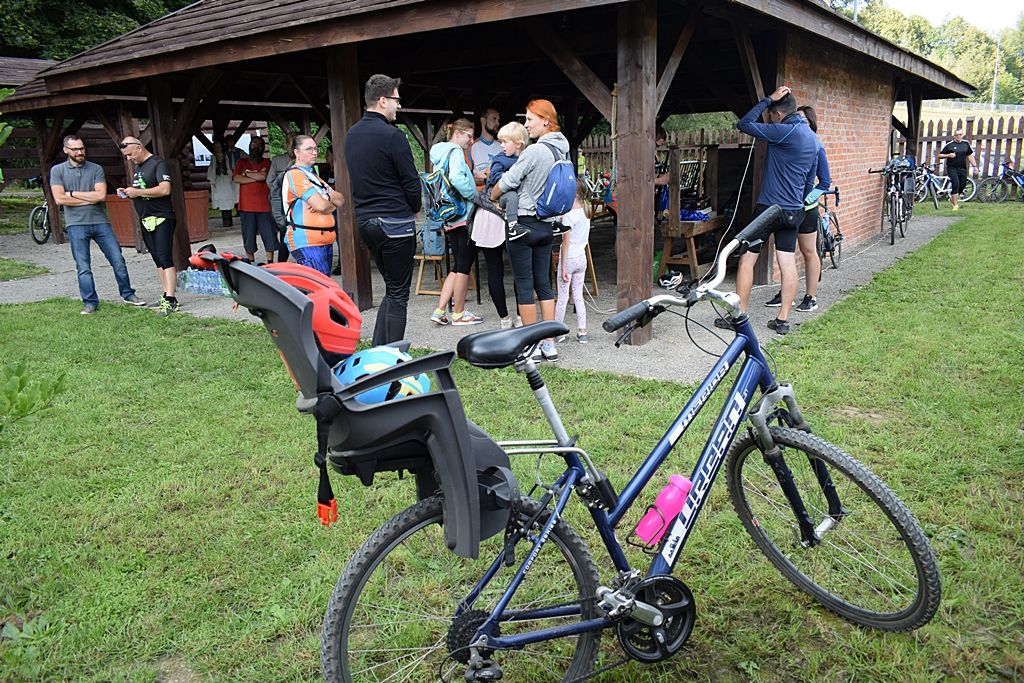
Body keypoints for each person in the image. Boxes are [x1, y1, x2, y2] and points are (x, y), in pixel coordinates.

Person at [717, 86, 817, 336]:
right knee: (787, 262)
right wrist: (799, 206)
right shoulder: (813, 138)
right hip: (794, 211)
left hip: (769, 210)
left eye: (771, 115)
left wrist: (766, 100)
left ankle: (738, 316)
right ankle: (782, 319)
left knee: (747, 260)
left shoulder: (783, 131)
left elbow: (744, 124)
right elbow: (810, 181)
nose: (769, 120)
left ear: (778, 114)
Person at [344, 74, 422, 346]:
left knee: (391, 288)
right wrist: (415, 207)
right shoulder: (393, 136)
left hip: (366, 221)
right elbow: (411, 182)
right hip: (395, 221)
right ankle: (392, 360)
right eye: (396, 100)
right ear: (382, 100)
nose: (399, 106)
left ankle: (379, 350)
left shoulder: (351, 135)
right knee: (399, 294)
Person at [492, 98, 569, 361]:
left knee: (524, 286)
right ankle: (549, 344)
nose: (526, 125)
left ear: (546, 120)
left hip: (523, 224)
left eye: (530, 119)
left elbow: (508, 181)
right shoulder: (562, 150)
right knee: (544, 285)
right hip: (547, 226)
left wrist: (494, 194)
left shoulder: (535, 151)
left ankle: (530, 347)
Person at [50, 135, 145, 314]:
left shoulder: (96, 169)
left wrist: (71, 194)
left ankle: (128, 294)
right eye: (75, 149)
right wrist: (84, 196)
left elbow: (100, 196)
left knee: (118, 259)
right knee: (83, 266)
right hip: (75, 224)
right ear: (66, 150)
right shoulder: (57, 171)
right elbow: (59, 199)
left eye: (82, 149)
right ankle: (90, 302)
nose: (79, 152)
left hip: (100, 221)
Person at [764, 104, 832, 314]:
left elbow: (825, 182)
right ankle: (786, 295)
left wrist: (807, 199)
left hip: (805, 209)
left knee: (808, 251)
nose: (798, 122)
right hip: (786, 206)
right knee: (785, 253)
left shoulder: (816, 146)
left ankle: (811, 296)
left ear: (810, 123)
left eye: (803, 119)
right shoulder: (787, 142)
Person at [428, 119, 484, 326]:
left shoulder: (438, 154)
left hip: (448, 215)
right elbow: (460, 181)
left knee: (455, 266)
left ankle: (440, 309)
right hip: (463, 215)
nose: (471, 141)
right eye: (469, 136)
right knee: (464, 267)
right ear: (457, 133)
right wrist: (474, 196)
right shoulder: (455, 152)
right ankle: (459, 314)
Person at [117, 136, 180, 317]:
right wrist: (128, 192)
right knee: (157, 259)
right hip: (145, 219)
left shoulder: (158, 163)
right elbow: (142, 191)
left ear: (139, 147)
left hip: (162, 218)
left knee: (165, 257)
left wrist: (138, 192)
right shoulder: (138, 169)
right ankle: (165, 294)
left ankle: (171, 299)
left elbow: (165, 189)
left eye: (130, 154)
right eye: (126, 156)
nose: (129, 159)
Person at [283, 134, 344, 276]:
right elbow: (323, 206)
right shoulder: (295, 174)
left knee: (322, 287)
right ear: (297, 152)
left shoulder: (314, 176)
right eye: (309, 149)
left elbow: (340, 199)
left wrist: (326, 198)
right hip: (308, 241)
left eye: (315, 149)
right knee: (317, 289)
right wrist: (328, 202)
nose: (315, 152)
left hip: (322, 240)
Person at [554, 178, 593, 344]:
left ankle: (557, 331)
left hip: (568, 260)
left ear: (574, 193)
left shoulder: (568, 216)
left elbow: (565, 242)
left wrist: (562, 267)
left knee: (562, 297)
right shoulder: (586, 213)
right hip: (581, 259)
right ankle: (582, 331)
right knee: (578, 296)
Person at [233, 137, 277, 263]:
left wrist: (246, 174)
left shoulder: (267, 162)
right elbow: (236, 178)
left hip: (264, 206)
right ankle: (251, 262)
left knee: (269, 235)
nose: (255, 146)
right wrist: (256, 176)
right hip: (246, 206)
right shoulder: (241, 162)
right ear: (249, 146)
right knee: (248, 236)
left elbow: (263, 176)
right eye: (253, 143)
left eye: (259, 144)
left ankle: (270, 262)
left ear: (263, 148)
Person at [488, 121, 529, 241]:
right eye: (501, 142)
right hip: (502, 195)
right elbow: (494, 176)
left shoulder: (526, 158)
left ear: (518, 144)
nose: (501, 145)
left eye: (505, 142)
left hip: (522, 196)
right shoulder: (500, 159)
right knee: (512, 196)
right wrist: (511, 176)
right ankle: (513, 226)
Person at [267, 130, 298, 262]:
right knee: (285, 233)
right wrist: (282, 193)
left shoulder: (304, 160)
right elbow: (270, 182)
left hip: (301, 202)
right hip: (283, 204)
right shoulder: (277, 160)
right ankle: (282, 264)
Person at [937, 128, 979, 211]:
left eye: (960, 134)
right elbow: (939, 155)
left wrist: (975, 166)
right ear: (954, 136)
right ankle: (955, 205)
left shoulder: (966, 144)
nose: (958, 136)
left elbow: (970, 155)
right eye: (957, 135)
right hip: (952, 168)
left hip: (963, 168)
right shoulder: (950, 145)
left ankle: (953, 198)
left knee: (962, 185)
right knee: (955, 184)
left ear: (962, 135)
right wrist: (948, 155)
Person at [207, 140, 237, 227]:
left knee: (228, 196)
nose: (217, 148)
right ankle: (226, 221)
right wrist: (212, 180)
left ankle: (229, 220)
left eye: (218, 146)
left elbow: (228, 166)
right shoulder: (213, 157)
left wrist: (230, 176)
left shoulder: (225, 155)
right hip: (218, 180)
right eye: (215, 147)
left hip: (226, 180)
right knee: (221, 198)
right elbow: (211, 169)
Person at [470, 107, 501, 187]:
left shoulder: (503, 147)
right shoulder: (471, 147)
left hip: (498, 195)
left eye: (498, 120)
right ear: (483, 120)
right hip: (477, 196)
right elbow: (466, 179)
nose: (497, 123)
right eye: (494, 119)